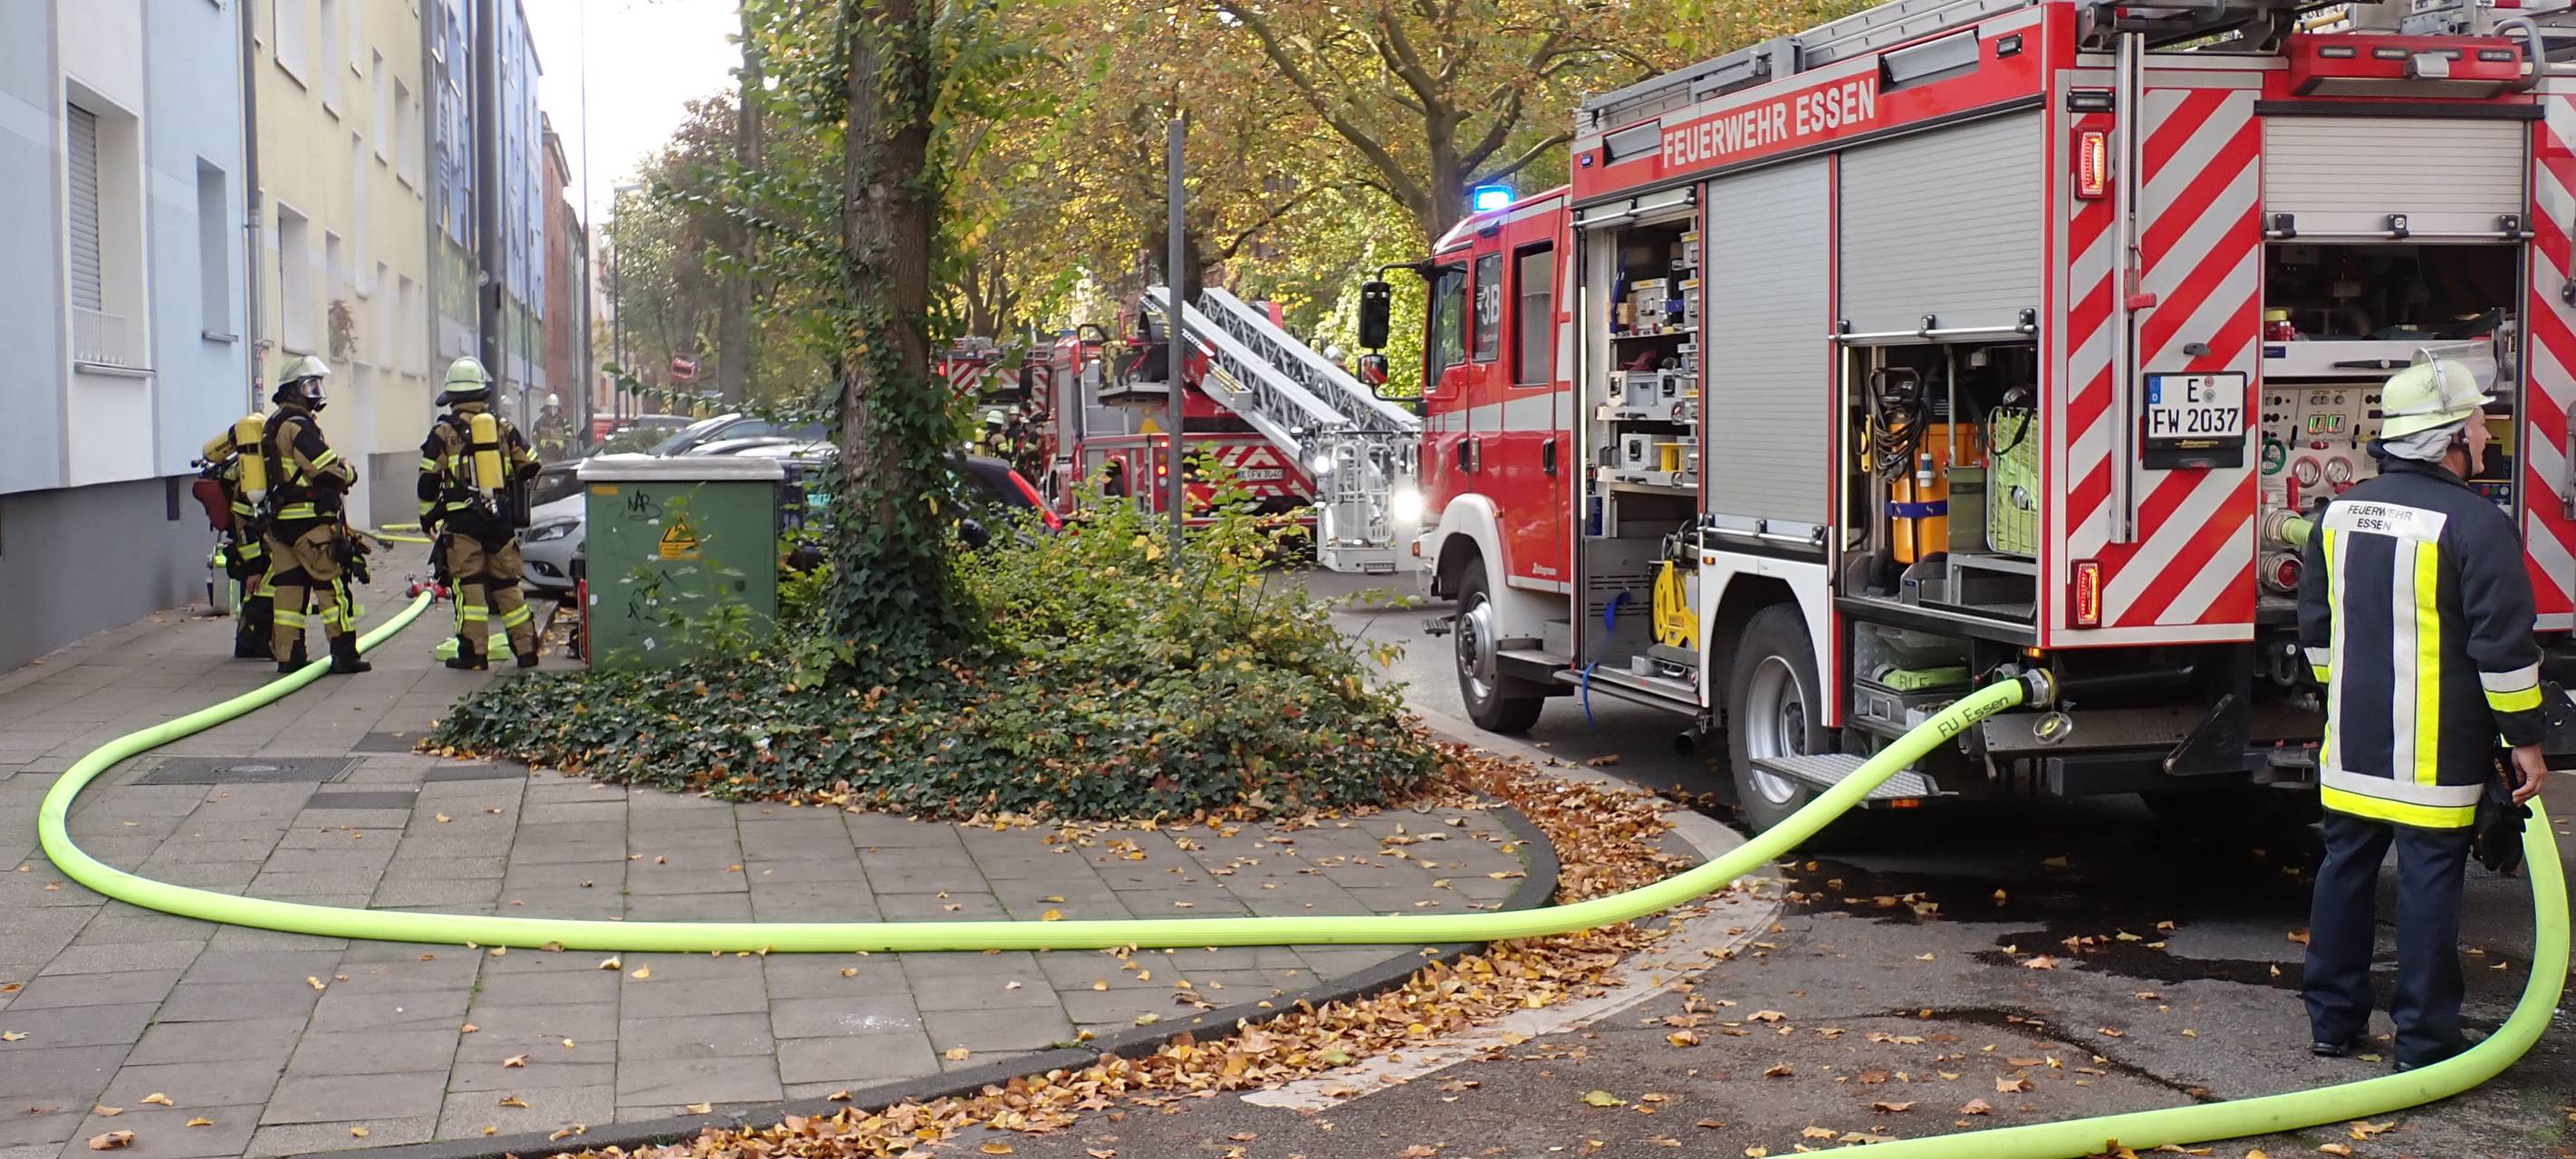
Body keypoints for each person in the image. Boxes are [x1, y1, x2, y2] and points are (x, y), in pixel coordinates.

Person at [2295, 350, 2550, 1071]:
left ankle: (2332, 1023)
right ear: (2451, 438)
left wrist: (2340, 698)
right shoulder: (2475, 523)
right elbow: (2504, 648)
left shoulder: (2338, 513)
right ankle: (2425, 1041)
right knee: (2430, 880)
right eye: (2480, 422)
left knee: (2345, 868)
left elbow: (2316, 630)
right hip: (2436, 751)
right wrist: (2524, 739)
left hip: (2352, 742)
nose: (2488, 434)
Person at [419, 357, 543, 670]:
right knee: (507, 586)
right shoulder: (503, 427)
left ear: (453, 396)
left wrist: (427, 516)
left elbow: (427, 481)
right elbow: (531, 464)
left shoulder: (443, 432)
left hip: (463, 523)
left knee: (469, 587)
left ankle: (474, 655)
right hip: (500, 520)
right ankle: (526, 651)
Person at [259, 356, 370, 675]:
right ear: (293, 390)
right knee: (332, 588)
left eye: (317, 385)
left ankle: (289, 656)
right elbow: (324, 469)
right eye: (310, 385)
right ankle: (344, 655)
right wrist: (348, 472)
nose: (316, 392)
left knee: (288, 591)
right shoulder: (299, 426)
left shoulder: (273, 425)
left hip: (281, 525)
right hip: (310, 525)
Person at [197, 417, 274, 658]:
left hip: (250, 534)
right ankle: (252, 642)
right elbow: (244, 521)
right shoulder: (253, 474)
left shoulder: (252, 466)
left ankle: (252, 641)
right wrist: (254, 566)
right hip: (250, 537)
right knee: (259, 587)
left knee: (258, 588)